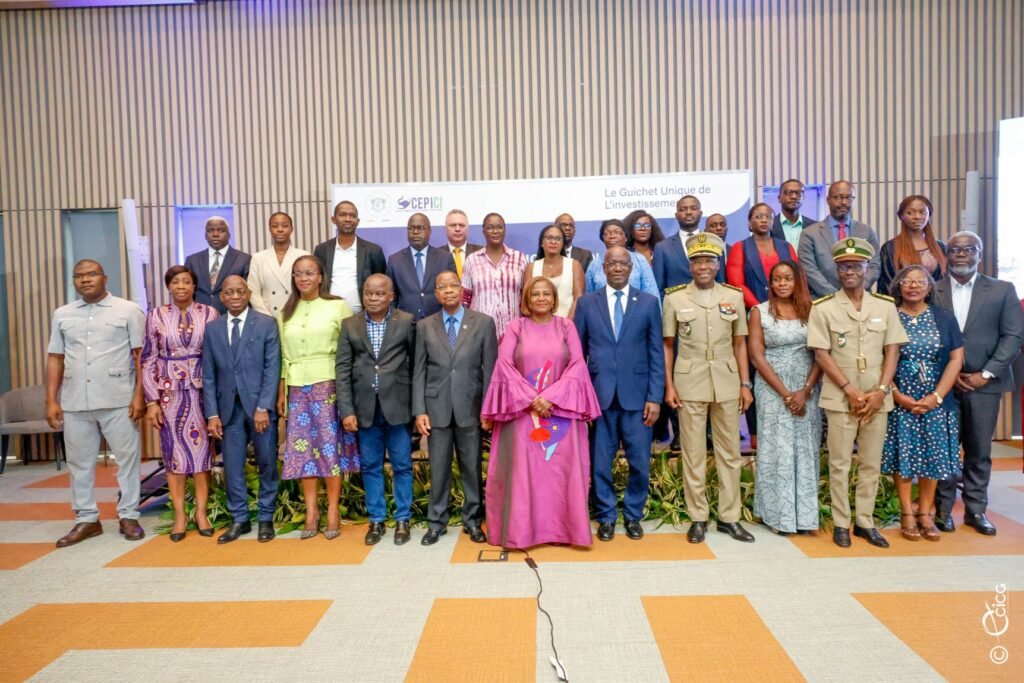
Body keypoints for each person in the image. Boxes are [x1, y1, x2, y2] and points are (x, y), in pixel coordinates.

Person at [481, 277, 601, 548]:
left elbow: (577, 364)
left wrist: (551, 398)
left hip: (561, 414)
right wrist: (530, 399)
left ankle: (563, 532)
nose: (542, 298)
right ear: (527, 299)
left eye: (547, 293)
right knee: (524, 475)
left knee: (559, 474)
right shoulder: (516, 327)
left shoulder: (566, 326)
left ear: (554, 299)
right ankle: (521, 533)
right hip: (522, 414)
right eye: (536, 294)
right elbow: (504, 364)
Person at [807, 237, 908, 548]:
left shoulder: (885, 306)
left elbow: (892, 351)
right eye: (844, 267)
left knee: (870, 462)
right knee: (839, 463)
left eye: (856, 266)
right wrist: (849, 390)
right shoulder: (823, 308)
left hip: (877, 397)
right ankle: (841, 522)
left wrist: (881, 391)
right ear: (837, 270)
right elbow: (821, 354)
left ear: (867, 268)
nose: (849, 271)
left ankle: (865, 522)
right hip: (840, 397)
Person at [45, 260, 147, 547]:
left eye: (91, 274)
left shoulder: (128, 310)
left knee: (127, 461)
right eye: (79, 276)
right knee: (78, 463)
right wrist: (51, 399)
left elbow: (141, 355)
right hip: (76, 400)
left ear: (105, 277)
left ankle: (129, 515)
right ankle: (87, 518)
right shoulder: (63, 314)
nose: (85, 280)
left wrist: (140, 394)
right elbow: (55, 357)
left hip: (118, 398)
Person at [663, 233, 755, 544]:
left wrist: (745, 383)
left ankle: (730, 517)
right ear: (690, 265)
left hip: (727, 380)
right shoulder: (675, 298)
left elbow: (740, 343)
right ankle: (698, 517)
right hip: (689, 381)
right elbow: (668, 345)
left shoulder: (733, 296)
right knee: (693, 453)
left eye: (709, 260)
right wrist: (669, 385)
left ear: (718, 264)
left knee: (730, 452)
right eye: (697, 261)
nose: (703, 266)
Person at [932, 232, 1024, 535]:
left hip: (985, 384)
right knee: (945, 448)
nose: (961, 254)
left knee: (979, 449)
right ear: (946, 255)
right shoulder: (933, 290)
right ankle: (943, 510)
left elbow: (1013, 336)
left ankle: (975, 510)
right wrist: (948, 375)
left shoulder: (1002, 290)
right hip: (944, 384)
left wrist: (985, 374)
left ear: (980, 255)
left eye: (969, 249)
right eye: (955, 250)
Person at [575, 247, 664, 541]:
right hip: (599, 397)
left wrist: (654, 397)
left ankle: (633, 515)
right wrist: (582, 399)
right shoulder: (587, 303)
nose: (616, 268)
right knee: (601, 462)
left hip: (638, 398)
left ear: (630, 267)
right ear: (603, 268)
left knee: (639, 462)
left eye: (622, 263)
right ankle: (606, 516)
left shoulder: (648, 303)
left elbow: (656, 353)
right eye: (611, 263)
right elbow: (578, 356)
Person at [277, 255, 359, 540]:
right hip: (297, 388)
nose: (304, 278)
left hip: (329, 384)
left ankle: (333, 509)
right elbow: (283, 356)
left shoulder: (337, 306)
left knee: (328, 449)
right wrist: (282, 391)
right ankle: (311, 512)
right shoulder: (285, 311)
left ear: (321, 277)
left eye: (309, 273)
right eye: (298, 274)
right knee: (302, 451)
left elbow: (349, 350)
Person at [413, 271, 498, 545]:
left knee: (471, 467)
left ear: (463, 290)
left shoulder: (483, 323)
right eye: (442, 287)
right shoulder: (424, 326)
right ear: (436, 294)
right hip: (436, 408)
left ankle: (473, 521)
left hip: (470, 407)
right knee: (438, 468)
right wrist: (419, 410)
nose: (448, 290)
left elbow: (490, 370)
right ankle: (436, 522)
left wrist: (488, 409)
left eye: (453, 285)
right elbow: (419, 371)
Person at [882, 266, 964, 542]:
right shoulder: (889, 316)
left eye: (920, 281)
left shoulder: (944, 318)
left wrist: (936, 396)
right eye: (907, 281)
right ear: (898, 286)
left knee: (934, 456)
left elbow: (956, 358)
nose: (913, 285)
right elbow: (880, 358)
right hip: (900, 398)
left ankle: (926, 512)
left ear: (929, 288)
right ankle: (907, 512)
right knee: (903, 456)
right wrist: (896, 394)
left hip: (936, 400)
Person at [336, 274, 416, 546]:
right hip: (364, 408)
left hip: (398, 406)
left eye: (380, 294)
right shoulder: (350, 324)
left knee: (402, 465)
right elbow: (342, 370)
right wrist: (347, 410)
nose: (373, 298)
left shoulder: (406, 321)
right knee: (371, 466)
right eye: (369, 293)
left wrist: (417, 408)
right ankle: (377, 520)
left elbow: (416, 365)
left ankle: (403, 519)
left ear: (391, 296)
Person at [141, 266, 219, 541]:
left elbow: (216, 354)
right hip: (169, 394)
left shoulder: (209, 313)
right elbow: (148, 358)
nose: (181, 286)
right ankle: (179, 516)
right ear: (169, 287)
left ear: (194, 286)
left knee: (202, 456)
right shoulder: (156, 315)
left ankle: (201, 512)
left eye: (186, 281)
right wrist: (151, 401)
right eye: (176, 282)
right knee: (174, 456)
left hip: (201, 392)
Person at [202, 275, 282, 544]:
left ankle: (266, 518)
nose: (235, 296)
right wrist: (212, 414)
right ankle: (240, 519)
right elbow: (209, 374)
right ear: (222, 297)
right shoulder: (212, 329)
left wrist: (263, 406)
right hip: (228, 410)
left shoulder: (266, 323)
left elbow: (272, 368)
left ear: (248, 294)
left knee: (266, 462)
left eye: (240, 291)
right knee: (233, 466)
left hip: (260, 409)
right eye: (229, 292)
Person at [748, 261, 822, 534]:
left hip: (807, 387)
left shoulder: (812, 310)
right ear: (770, 283)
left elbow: (821, 353)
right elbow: (756, 355)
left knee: (805, 449)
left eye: (788, 278)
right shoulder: (759, 311)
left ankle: (804, 517)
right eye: (777, 279)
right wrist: (786, 394)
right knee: (776, 451)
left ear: (797, 281)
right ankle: (778, 517)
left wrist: (806, 390)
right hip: (772, 389)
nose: (782, 283)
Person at [799, 181, 881, 297]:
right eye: (838, 197)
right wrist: (836, 296)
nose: (843, 202)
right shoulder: (809, 233)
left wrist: (857, 289)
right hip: (824, 299)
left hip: (861, 298)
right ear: (828, 200)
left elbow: (875, 265)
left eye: (848, 197)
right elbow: (809, 270)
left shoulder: (867, 231)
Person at [461, 212, 529, 338]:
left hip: (513, 332)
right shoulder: (472, 260)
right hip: (479, 332)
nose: (495, 231)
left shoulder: (519, 258)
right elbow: (465, 299)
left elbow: (526, 296)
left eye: (499, 227)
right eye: (490, 227)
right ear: (483, 231)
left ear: (505, 230)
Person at [312, 200, 386, 313]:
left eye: (352, 216)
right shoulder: (322, 250)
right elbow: (316, 282)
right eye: (342, 215)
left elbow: (381, 283)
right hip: (328, 313)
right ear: (333, 219)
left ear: (358, 221)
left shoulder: (373, 251)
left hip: (362, 315)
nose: (348, 219)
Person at [386, 213, 456, 321]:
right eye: (411, 228)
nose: (415, 232)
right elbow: (391, 298)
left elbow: (453, 292)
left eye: (420, 228)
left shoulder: (445, 258)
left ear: (430, 231)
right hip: (406, 323)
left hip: (438, 322)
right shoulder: (395, 260)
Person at [726, 203, 797, 309]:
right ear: (750, 222)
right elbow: (737, 285)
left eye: (768, 217)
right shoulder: (740, 247)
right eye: (759, 217)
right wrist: (759, 309)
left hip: (788, 307)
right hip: (753, 309)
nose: (764, 220)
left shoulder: (786, 246)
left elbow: (797, 279)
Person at [878, 195, 947, 296]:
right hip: (901, 303)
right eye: (910, 213)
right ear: (901, 216)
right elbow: (886, 285)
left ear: (929, 214)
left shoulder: (941, 247)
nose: (917, 217)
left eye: (922, 212)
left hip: (936, 303)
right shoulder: (890, 248)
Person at [184, 216, 251, 315]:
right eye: (210, 231)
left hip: (232, 315)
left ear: (229, 235)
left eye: (221, 230)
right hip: (199, 316)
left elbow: (247, 293)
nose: (215, 234)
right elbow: (187, 291)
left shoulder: (244, 259)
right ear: (205, 235)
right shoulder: (192, 260)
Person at [246, 211, 308, 318]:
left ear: (291, 229)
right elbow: (253, 292)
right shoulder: (258, 258)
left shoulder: (303, 255)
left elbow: (309, 289)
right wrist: (266, 317)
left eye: (285, 226)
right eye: (275, 226)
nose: (280, 229)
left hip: (297, 314)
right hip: (267, 316)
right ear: (269, 229)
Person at [585, 219, 659, 299]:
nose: (612, 236)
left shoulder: (639, 260)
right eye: (607, 233)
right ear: (603, 238)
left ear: (626, 237)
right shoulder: (595, 264)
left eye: (617, 232)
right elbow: (589, 298)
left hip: (637, 306)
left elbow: (652, 294)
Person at [525, 224, 585, 319]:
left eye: (558, 239)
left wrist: (567, 323)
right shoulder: (532, 267)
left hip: (569, 322)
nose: (553, 242)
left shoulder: (574, 265)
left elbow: (578, 297)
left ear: (563, 244)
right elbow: (527, 299)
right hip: (538, 324)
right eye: (549, 238)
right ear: (542, 243)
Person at [652, 195, 704, 293]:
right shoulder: (662, 247)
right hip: (676, 302)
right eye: (683, 209)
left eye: (693, 208)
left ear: (700, 213)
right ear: (676, 215)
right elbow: (659, 288)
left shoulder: (712, 242)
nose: (688, 212)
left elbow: (720, 282)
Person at [770, 179, 817, 250]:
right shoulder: (770, 226)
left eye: (798, 193)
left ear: (803, 197)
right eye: (789, 192)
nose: (794, 197)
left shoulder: (814, 226)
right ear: (779, 198)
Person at [443, 209, 482, 280]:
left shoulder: (481, 252)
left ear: (467, 228)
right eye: (453, 225)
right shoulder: (437, 256)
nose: (457, 229)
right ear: (445, 228)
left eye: (461, 225)